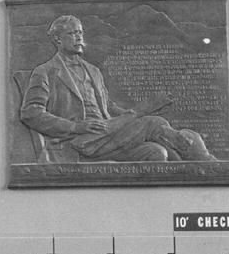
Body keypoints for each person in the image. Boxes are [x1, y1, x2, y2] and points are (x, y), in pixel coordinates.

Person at [19, 14, 215, 163]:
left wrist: (131, 115)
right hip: (82, 139)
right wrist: (75, 126)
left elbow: (108, 106)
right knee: (154, 123)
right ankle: (206, 164)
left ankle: (193, 168)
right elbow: (31, 113)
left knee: (156, 152)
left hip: (109, 134)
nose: (78, 37)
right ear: (57, 40)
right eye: (72, 33)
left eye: (80, 32)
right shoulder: (45, 71)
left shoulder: (93, 70)